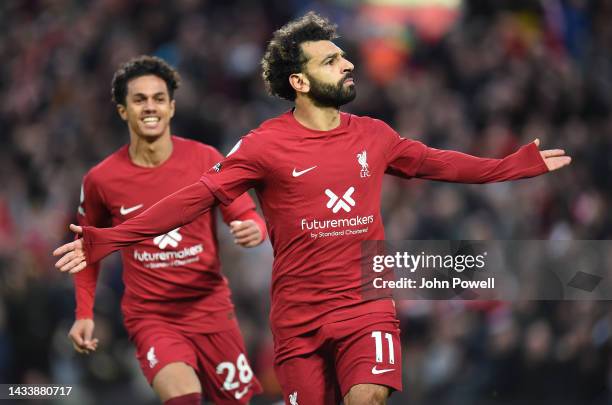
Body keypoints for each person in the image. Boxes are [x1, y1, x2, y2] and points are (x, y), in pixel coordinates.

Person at [54, 13, 571, 405]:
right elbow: (192, 199)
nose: (347, 64)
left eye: (343, 56)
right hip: (297, 320)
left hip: (366, 304)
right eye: (330, 60)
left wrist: (512, 165)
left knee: (367, 395)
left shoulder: (374, 134)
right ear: (298, 82)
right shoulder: (261, 146)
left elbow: (440, 163)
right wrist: (110, 238)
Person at [67, 55, 264, 405]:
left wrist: (254, 226)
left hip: (211, 309)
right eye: (139, 99)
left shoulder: (204, 159)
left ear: (172, 107)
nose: (150, 107)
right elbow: (87, 248)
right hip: (153, 317)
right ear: (123, 111)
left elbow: (243, 210)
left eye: (159, 98)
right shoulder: (101, 180)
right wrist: (84, 313)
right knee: (183, 397)